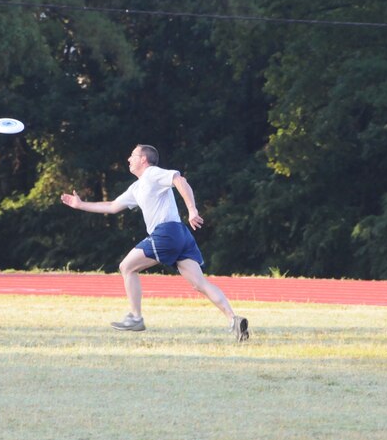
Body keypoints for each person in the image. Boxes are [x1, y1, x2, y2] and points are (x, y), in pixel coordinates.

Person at [60, 144, 249, 341]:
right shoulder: (137, 187)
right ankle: (234, 319)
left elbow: (179, 180)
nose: (128, 159)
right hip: (180, 234)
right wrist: (80, 205)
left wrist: (192, 209)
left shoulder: (151, 173)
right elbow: (113, 206)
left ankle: (136, 318)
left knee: (127, 267)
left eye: (133, 155)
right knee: (199, 283)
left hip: (167, 233)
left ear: (143, 159)